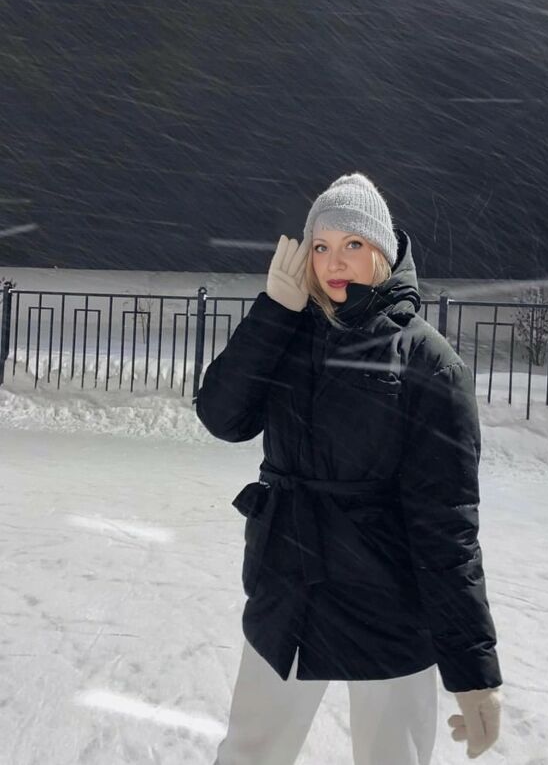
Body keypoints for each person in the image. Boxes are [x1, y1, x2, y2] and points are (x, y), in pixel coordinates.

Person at [196, 172, 503, 764]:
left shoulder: (428, 361)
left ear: (381, 252)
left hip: (388, 606)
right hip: (289, 589)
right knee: (249, 754)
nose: (334, 262)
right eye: (321, 246)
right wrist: (272, 313)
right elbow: (221, 416)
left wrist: (473, 672)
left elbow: (448, 528)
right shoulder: (288, 332)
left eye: (353, 244)